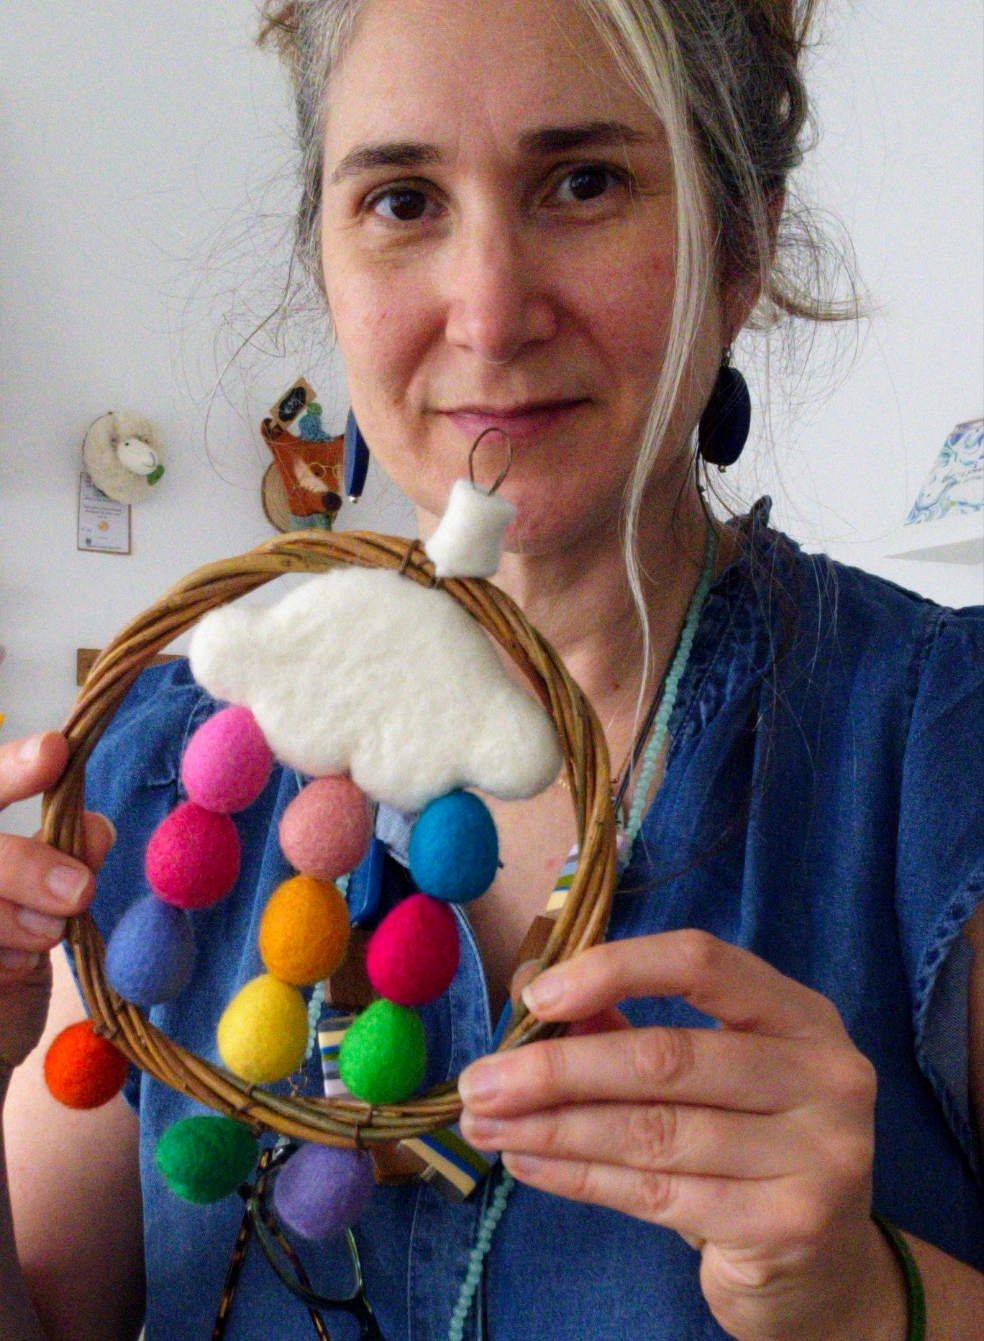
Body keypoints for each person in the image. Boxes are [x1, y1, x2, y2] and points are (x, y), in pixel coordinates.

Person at [1, 0, 982, 1337]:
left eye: (585, 183)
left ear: (739, 253)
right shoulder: (151, 782)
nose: (489, 313)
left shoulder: (936, 752)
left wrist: (865, 1299)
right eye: (403, 201)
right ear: (328, 265)